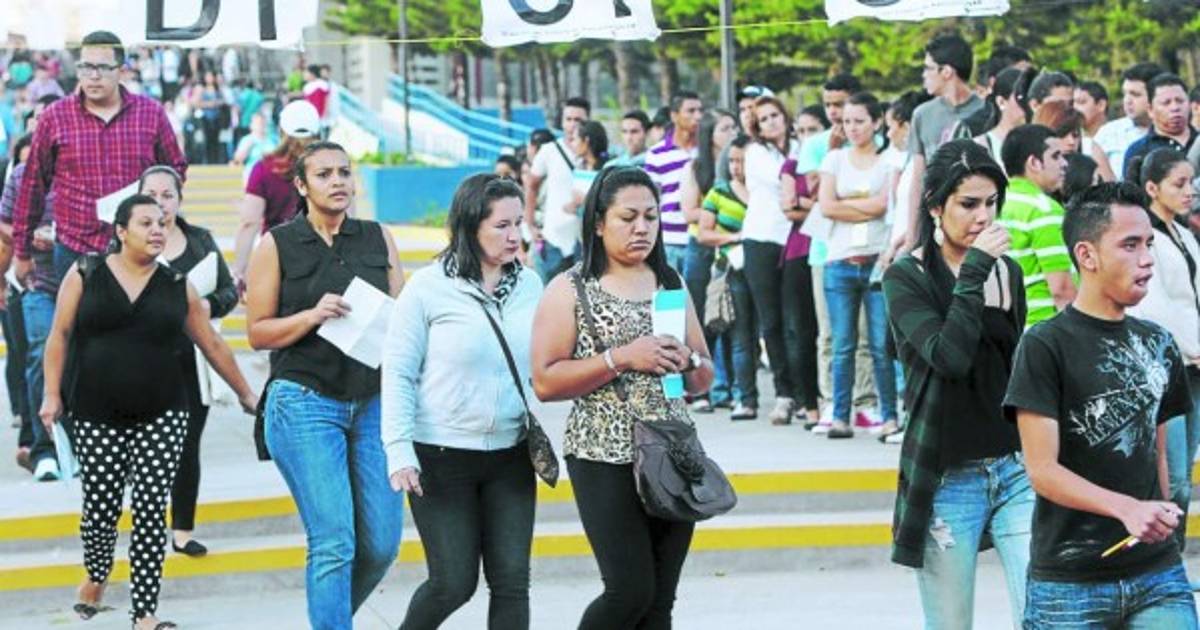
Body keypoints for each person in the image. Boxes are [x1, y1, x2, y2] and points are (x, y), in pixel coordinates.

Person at [43, 194, 255, 630]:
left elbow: (212, 344)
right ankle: (97, 572)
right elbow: (59, 334)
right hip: (95, 410)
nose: (158, 230)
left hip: (163, 411)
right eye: (146, 223)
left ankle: (144, 611)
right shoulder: (86, 272)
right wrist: (51, 394)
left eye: (162, 222)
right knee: (100, 507)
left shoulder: (177, 285)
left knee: (151, 507)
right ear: (121, 231)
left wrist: (248, 394)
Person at [1005, 182, 1198, 628]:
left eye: (1149, 244)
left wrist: (1159, 517)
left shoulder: (1159, 343)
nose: (1146, 258)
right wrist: (1127, 508)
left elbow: (1159, 456)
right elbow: (1042, 470)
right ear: (1087, 256)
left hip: (1156, 572)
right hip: (1070, 583)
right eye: (1130, 245)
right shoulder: (1044, 346)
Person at [530, 166, 714, 629]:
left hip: (673, 449)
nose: (642, 228)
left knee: (660, 602)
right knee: (629, 591)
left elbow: (704, 378)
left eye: (651, 217)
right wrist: (622, 358)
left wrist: (689, 360)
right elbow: (546, 382)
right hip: (602, 453)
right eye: (628, 217)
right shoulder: (570, 287)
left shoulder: (670, 282)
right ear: (598, 222)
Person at [245, 141, 405, 629]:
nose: (338, 182)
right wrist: (312, 316)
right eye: (324, 174)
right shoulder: (277, 244)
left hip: (373, 399)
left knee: (381, 545)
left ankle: (329, 620)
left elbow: (402, 318)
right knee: (334, 541)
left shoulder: (377, 236)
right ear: (301, 185)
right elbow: (257, 332)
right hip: (304, 400)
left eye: (344, 172)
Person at [885, 139, 1033, 628]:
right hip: (947, 473)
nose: (983, 217)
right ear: (935, 207)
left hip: (1014, 468)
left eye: (991, 203)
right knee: (950, 622)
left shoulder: (1007, 272)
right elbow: (948, 357)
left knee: (1044, 611)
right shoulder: (906, 277)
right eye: (968, 204)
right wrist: (973, 272)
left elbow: (1012, 366)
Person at [382, 174, 542, 629]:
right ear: (470, 226)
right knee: (453, 582)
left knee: (512, 582)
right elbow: (398, 371)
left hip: (511, 453)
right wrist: (399, 449)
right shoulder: (428, 287)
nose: (514, 235)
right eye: (502, 225)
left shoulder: (531, 285)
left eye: (518, 223)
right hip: (441, 455)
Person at [13, 31, 187, 292]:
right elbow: (32, 185)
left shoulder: (150, 114)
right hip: (74, 248)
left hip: (137, 248)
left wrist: (155, 203)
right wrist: (22, 251)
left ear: (121, 70)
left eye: (103, 68)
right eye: (86, 67)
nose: (93, 76)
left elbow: (175, 170)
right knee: (77, 318)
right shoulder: (55, 117)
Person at [138, 165, 241, 558]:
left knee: (186, 445)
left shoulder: (200, 241)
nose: (161, 203)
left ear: (180, 199)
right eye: (152, 194)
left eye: (168, 195)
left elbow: (229, 291)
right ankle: (148, 527)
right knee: (147, 449)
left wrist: (206, 306)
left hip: (192, 361)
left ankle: (182, 530)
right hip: (141, 362)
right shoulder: (127, 240)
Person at [1125, 149, 1200, 550]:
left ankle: (1171, 555)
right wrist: (1192, 347)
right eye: (1179, 184)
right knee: (1173, 477)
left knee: (1183, 471)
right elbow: (1156, 307)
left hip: (1193, 367)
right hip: (1166, 364)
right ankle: (1164, 557)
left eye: (1191, 183)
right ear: (1152, 188)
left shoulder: (1183, 234)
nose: (1189, 191)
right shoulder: (1147, 239)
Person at [817, 92, 899, 439]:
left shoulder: (889, 160)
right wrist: (866, 205)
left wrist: (847, 203)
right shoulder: (834, 159)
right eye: (846, 121)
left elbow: (884, 205)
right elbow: (826, 206)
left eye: (859, 121)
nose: (852, 128)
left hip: (878, 261)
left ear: (876, 122)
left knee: (880, 344)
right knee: (843, 344)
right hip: (839, 262)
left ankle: (889, 415)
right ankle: (840, 416)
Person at [744, 96, 805, 425]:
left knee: (798, 320)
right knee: (771, 321)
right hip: (762, 238)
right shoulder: (755, 152)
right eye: (763, 119)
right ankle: (784, 393)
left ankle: (805, 392)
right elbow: (787, 179)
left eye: (774, 115)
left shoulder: (801, 144)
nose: (771, 122)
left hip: (795, 238)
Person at [904, 33, 988, 249]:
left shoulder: (986, 112)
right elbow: (918, 179)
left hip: (978, 221)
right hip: (936, 222)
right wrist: (912, 235)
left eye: (928, 68)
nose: (924, 75)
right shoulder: (922, 114)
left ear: (947, 71)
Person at [679, 110, 738, 412]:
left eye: (734, 127)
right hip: (702, 247)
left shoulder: (740, 164)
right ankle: (700, 388)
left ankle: (727, 388)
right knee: (701, 319)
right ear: (710, 135)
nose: (732, 133)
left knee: (729, 318)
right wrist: (716, 211)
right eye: (725, 128)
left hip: (732, 247)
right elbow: (688, 211)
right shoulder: (697, 167)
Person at [231, 100, 321, 293]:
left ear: (281, 131)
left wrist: (239, 270)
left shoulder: (264, 168)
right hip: (324, 262)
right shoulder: (333, 167)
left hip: (278, 260)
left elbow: (249, 222)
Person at [698, 135, 758, 420]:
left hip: (764, 268)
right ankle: (743, 397)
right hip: (730, 270)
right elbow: (704, 233)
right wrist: (736, 237)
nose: (736, 166)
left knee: (766, 334)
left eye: (742, 161)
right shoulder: (718, 192)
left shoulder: (764, 191)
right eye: (732, 160)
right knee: (739, 336)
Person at [998, 124, 1074, 327]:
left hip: (1009, 328)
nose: (1064, 164)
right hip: (1046, 328)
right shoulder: (1044, 209)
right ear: (1034, 163)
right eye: (1056, 156)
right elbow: (1061, 288)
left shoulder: (995, 204)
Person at [525, 97, 589, 283]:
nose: (573, 124)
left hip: (584, 243)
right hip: (552, 241)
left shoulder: (594, 153)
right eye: (568, 119)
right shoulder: (549, 151)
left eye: (579, 120)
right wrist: (529, 225)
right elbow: (531, 186)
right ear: (562, 122)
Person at [644, 91, 704, 274]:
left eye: (700, 110)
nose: (698, 116)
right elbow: (651, 200)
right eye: (691, 111)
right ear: (674, 115)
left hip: (701, 238)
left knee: (698, 292)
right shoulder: (656, 154)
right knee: (670, 293)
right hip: (669, 241)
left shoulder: (707, 151)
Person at [1094, 62, 1165, 182]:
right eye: (1125, 94)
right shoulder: (1108, 133)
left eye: (1135, 95)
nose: (1127, 100)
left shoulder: (1176, 132)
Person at [1123, 74, 1196, 176]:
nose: (1175, 107)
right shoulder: (1138, 151)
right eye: (1166, 103)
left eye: (1180, 101)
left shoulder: (1197, 139)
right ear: (1150, 110)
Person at [1033, 99, 1116, 182]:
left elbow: (1109, 185)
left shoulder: (1090, 150)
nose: (1071, 142)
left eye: (1075, 135)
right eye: (1062, 134)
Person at [975, 67, 1034, 170]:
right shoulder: (981, 146)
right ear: (1001, 102)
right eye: (1021, 99)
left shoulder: (1041, 142)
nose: (1028, 106)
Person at [189, 70, 231, 165]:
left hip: (216, 119)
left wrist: (218, 103)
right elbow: (195, 103)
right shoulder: (201, 89)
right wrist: (209, 104)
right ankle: (207, 161)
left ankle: (216, 161)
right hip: (205, 119)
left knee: (216, 141)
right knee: (206, 141)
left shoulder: (218, 89)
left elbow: (224, 101)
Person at [232, 111, 277, 183]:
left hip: (271, 176)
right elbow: (237, 160)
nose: (261, 125)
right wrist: (247, 147)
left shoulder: (273, 139)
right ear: (251, 125)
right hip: (252, 176)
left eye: (263, 123)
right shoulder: (247, 140)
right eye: (258, 123)